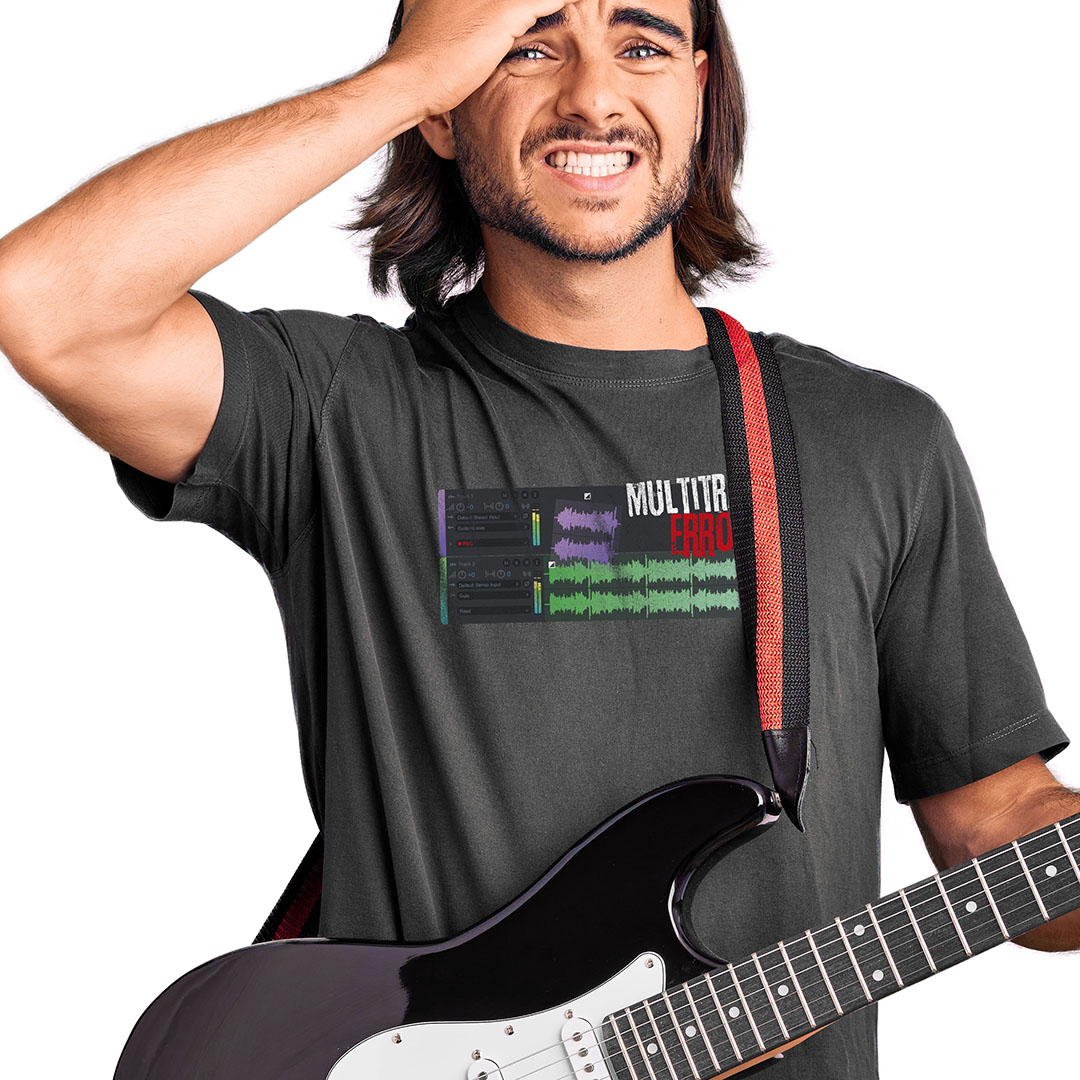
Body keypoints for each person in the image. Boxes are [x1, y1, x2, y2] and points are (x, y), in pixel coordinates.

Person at [0, 1, 1076, 1076]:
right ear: (442, 107)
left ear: (700, 93)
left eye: (642, 47)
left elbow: (994, 819)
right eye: (528, 47)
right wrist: (400, 80)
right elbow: (48, 302)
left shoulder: (873, 440)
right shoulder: (335, 412)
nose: (594, 97)